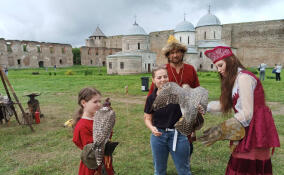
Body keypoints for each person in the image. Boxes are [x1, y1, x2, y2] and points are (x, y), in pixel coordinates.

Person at [199, 46, 280, 175]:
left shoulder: (243, 78)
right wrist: (204, 107)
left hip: (255, 128)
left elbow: (247, 113)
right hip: (245, 125)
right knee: (240, 162)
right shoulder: (235, 79)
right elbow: (225, 105)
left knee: (247, 165)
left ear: (231, 61)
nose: (219, 70)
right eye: (216, 67)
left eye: (220, 65)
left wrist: (222, 129)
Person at [148, 39, 200, 158]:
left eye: (178, 52)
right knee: (164, 143)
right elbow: (152, 94)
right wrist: (150, 115)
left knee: (187, 143)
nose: (175, 55)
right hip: (166, 116)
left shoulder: (190, 69)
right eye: (172, 52)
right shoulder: (162, 71)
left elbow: (196, 91)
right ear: (167, 55)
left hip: (186, 113)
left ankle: (184, 164)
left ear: (183, 53)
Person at [144, 66, 192, 175]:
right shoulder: (151, 98)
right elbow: (147, 118)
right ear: (153, 80)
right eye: (159, 77)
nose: (162, 80)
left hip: (178, 135)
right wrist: (152, 128)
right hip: (158, 137)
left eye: (165, 76)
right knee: (159, 170)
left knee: (184, 170)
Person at [72, 87, 114, 175]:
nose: (99, 104)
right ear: (84, 103)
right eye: (95, 102)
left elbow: (107, 136)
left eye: (99, 101)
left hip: (105, 161)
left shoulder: (97, 119)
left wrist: (108, 122)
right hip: (93, 166)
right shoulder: (82, 126)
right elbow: (93, 150)